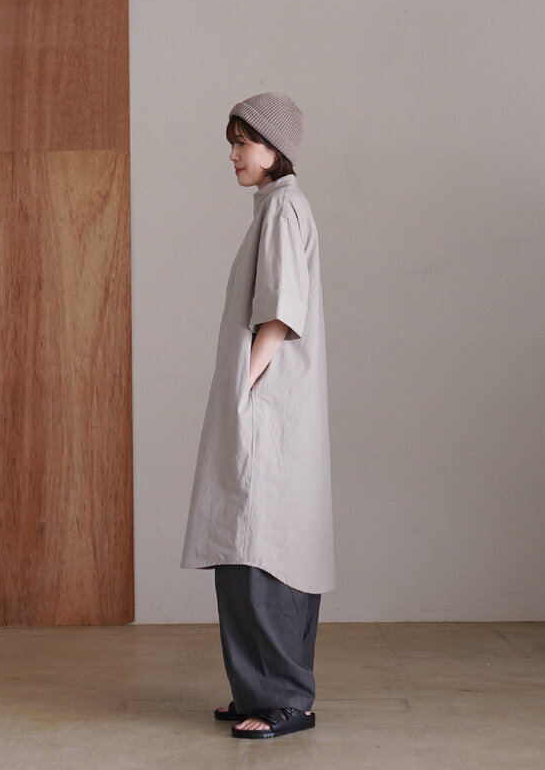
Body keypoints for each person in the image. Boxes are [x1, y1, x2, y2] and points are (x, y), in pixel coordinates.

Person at [180, 92, 335, 739]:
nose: (233, 155)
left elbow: (279, 314)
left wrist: (242, 387)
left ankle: (286, 701)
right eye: (233, 143)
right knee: (248, 549)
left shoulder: (283, 210)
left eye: (243, 143)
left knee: (264, 551)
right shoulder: (275, 207)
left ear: (275, 149)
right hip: (266, 405)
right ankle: (258, 692)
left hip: (269, 406)